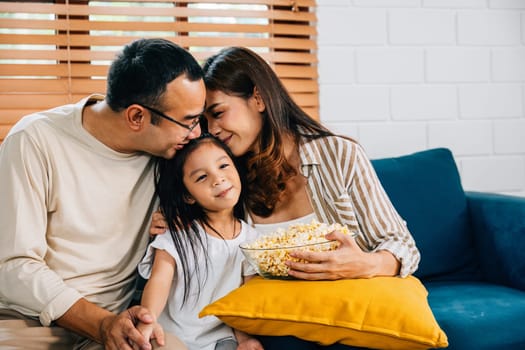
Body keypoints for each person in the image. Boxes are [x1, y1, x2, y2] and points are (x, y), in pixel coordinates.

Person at [151, 46, 421, 350]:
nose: (211, 130)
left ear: (258, 98)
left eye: (218, 113)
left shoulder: (338, 154)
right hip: (262, 329)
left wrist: (366, 264)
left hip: (342, 321)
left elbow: (403, 245)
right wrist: (173, 218)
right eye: (204, 121)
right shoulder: (226, 179)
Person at [0, 38, 206, 350]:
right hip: (28, 322)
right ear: (136, 117)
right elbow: (13, 265)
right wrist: (99, 323)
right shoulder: (35, 139)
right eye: (188, 122)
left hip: (118, 324)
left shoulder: (171, 154)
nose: (197, 134)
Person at [136, 133, 263, 350]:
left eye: (223, 166)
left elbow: (244, 298)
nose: (218, 179)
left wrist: (245, 339)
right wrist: (147, 322)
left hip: (222, 338)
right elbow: (159, 281)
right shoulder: (177, 232)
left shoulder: (253, 239)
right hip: (172, 335)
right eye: (202, 177)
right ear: (188, 196)